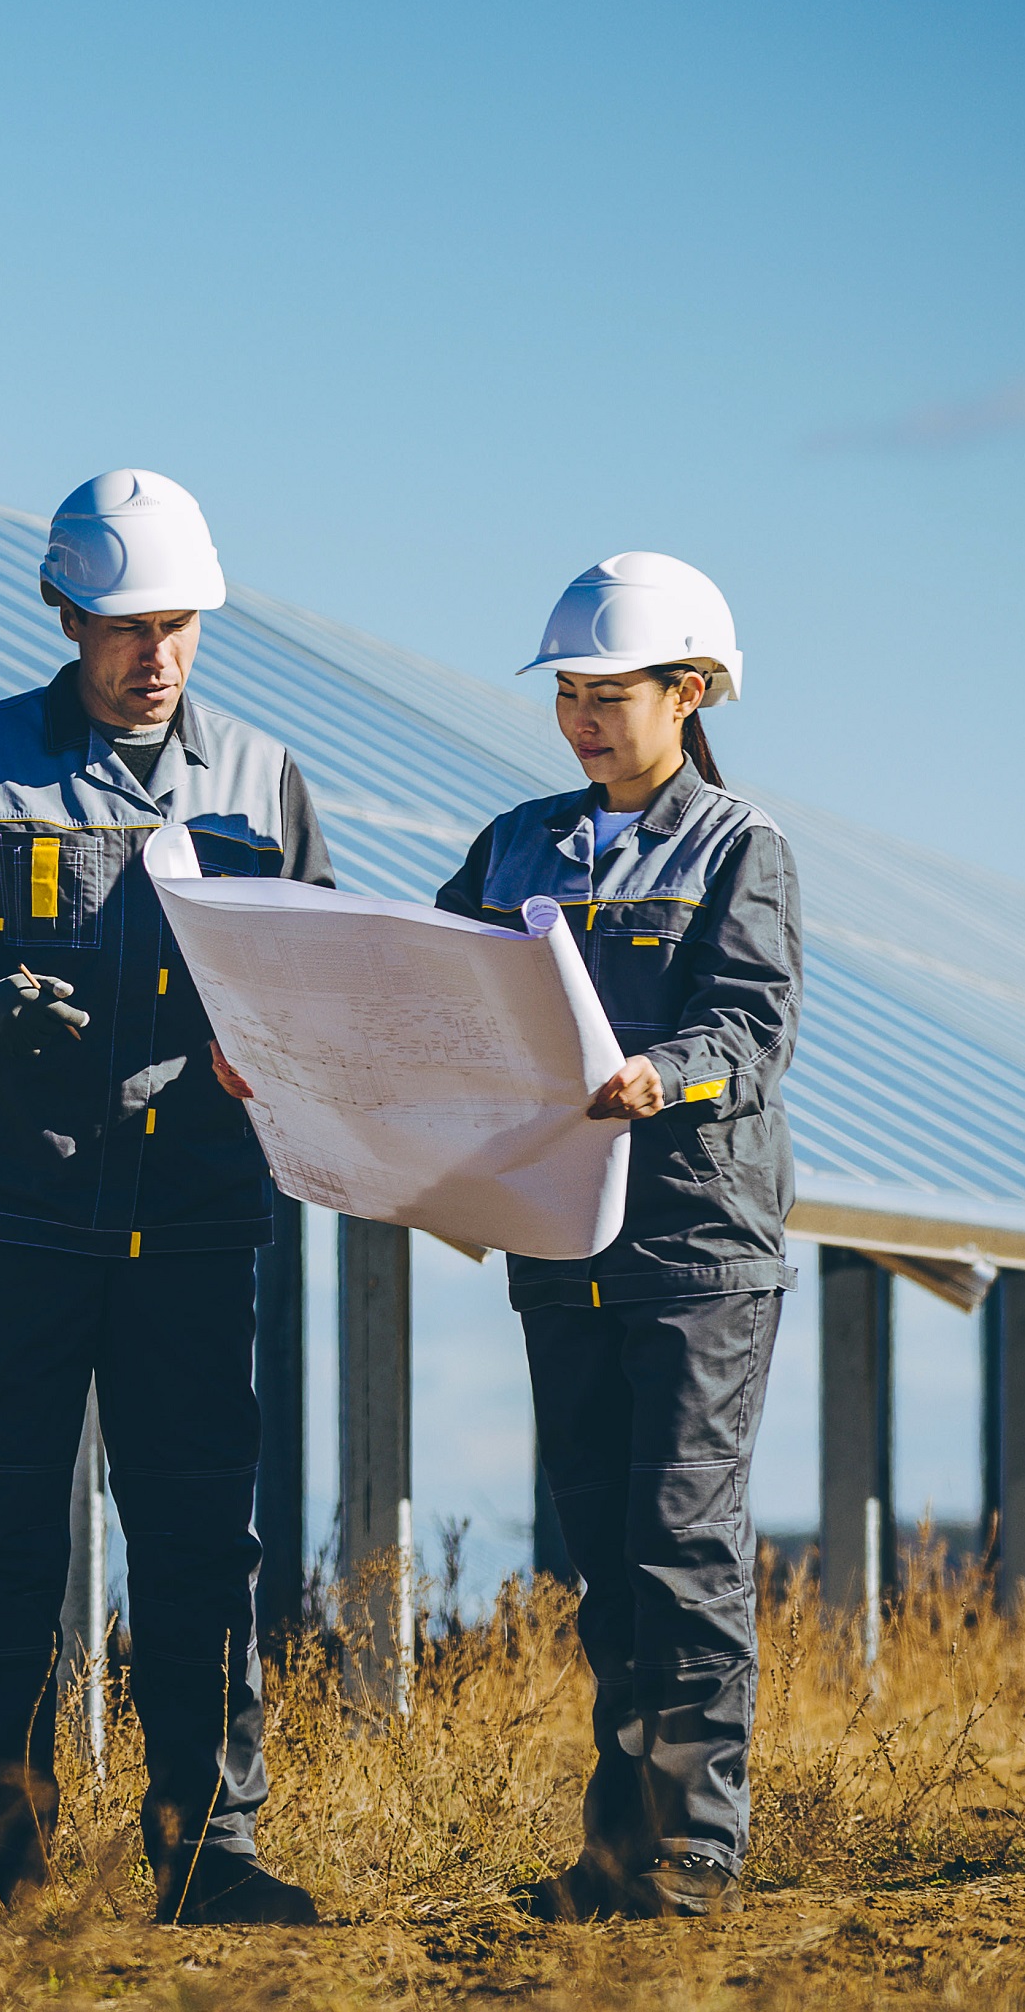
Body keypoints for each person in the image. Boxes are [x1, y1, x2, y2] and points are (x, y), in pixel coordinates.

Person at [0, 469, 334, 1926]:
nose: (155, 655)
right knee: (3, 1537)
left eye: (178, 625)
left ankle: (207, 1857)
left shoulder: (263, 783)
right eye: (126, 626)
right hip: (14, 1217)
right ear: (66, 614)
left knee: (199, 1541)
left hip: (193, 1220)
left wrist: (291, 1062)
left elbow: (322, 981)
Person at [432, 552, 802, 1920]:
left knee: (682, 1540)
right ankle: (618, 1845)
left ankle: (695, 1845)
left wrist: (665, 1076)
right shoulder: (520, 844)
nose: (584, 719)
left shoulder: (737, 846)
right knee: (600, 1542)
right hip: (562, 1240)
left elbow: (754, 1031)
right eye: (569, 695)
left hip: (698, 1242)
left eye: (611, 693)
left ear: (689, 692)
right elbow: (435, 982)